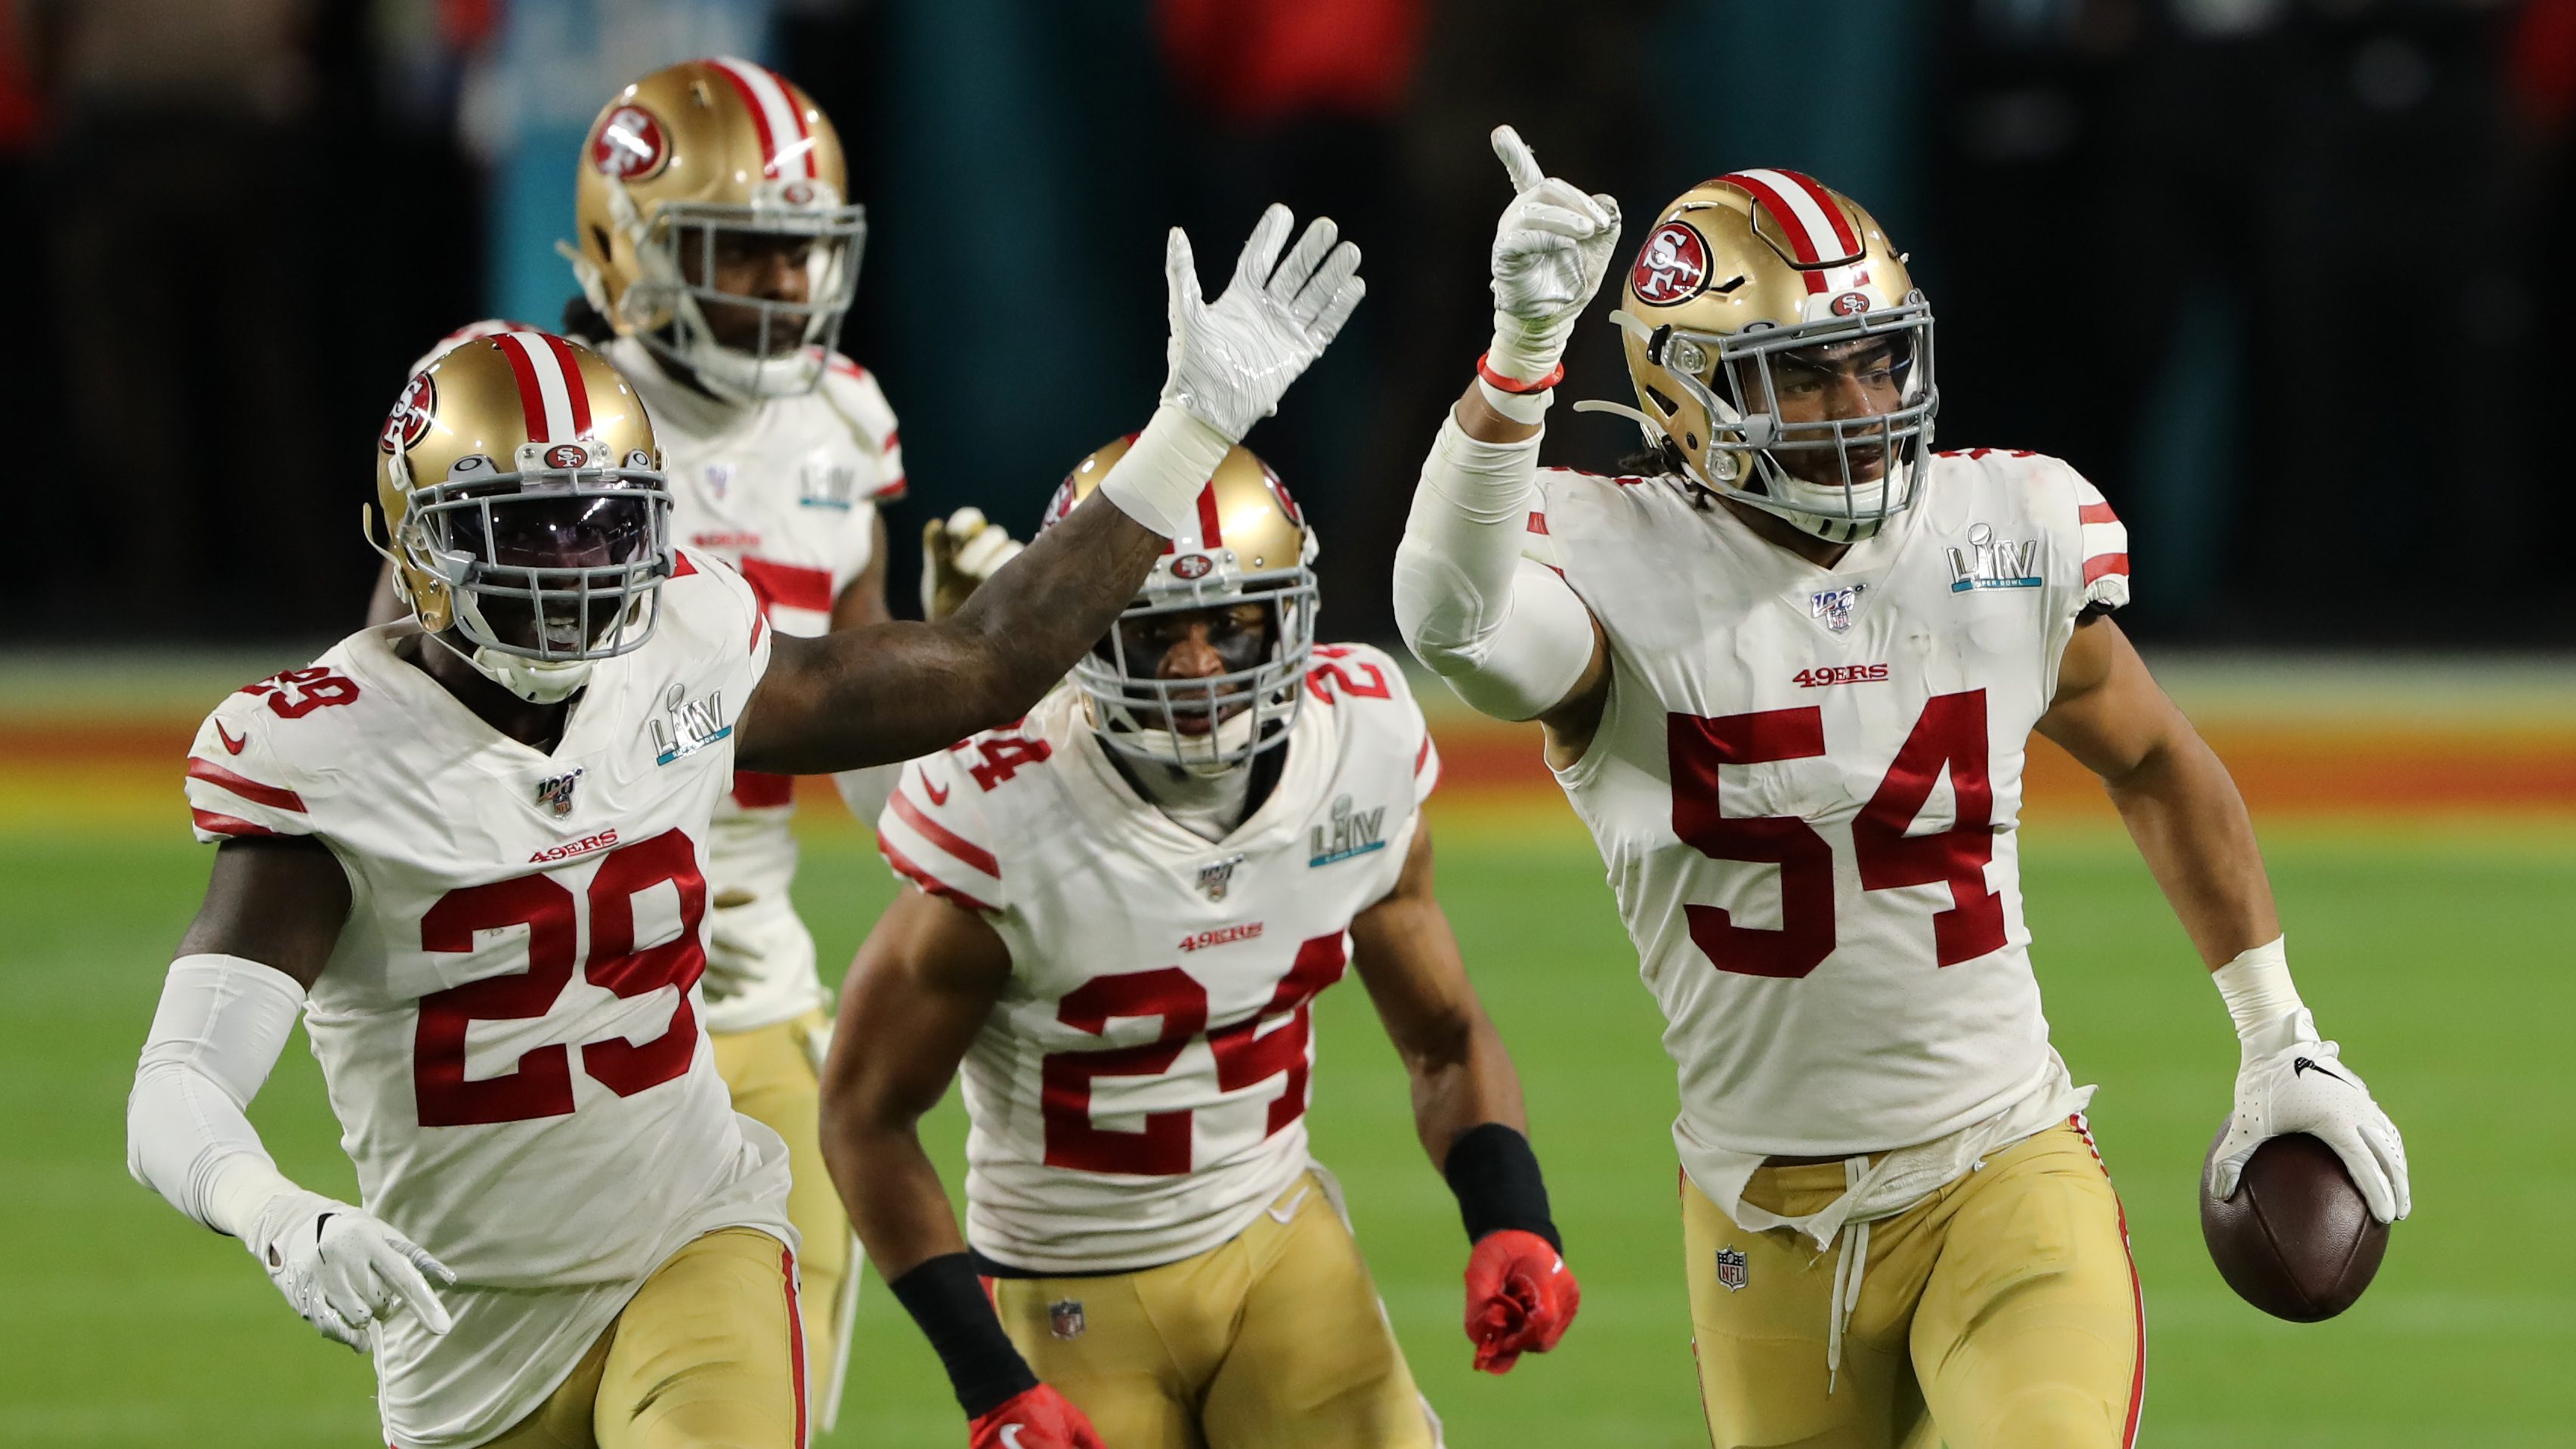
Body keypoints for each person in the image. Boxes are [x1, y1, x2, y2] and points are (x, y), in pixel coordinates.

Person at [126, 198, 1363, 1449]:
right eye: (527, 529)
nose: (573, 569)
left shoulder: (684, 643)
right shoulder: (327, 754)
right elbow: (175, 1085)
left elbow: (979, 665)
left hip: (688, 1233)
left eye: (605, 524)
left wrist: (1193, 427)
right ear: (420, 541)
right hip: (462, 1323)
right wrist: (278, 1211)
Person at [1390, 127, 2411, 1448]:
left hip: (2001, 1165)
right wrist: (1518, 362)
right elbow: (1450, 619)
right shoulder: (1613, 565)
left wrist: (2276, 1032)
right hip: (1759, 1210)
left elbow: (2157, 758)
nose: (1862, 403)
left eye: (1878, 358)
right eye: (1805, 376)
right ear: (1687, 392)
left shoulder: (1999, 535)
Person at [361, 58, 1024, 1420]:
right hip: (545, 1014)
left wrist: (954, 682)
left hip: (752, 1000)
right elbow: (390, 706)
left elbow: (868, 779)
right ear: (624, 245)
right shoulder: (536, 413)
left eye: (799, 255)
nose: (782, 289)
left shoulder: (837, 425)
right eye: (742, 252)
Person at [820, 439, 1579, 1449]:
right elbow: (863, 1113)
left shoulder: (1355, 748)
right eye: (1159, 631)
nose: (1197, 665)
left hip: (1276, 1244)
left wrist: (1512, 1214)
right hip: (1067, 1286)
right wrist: (988, 1377)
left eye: (1231, 624)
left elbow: (1443, 1037)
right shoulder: (1006, 809)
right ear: (1083, 633)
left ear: (1290, 613)